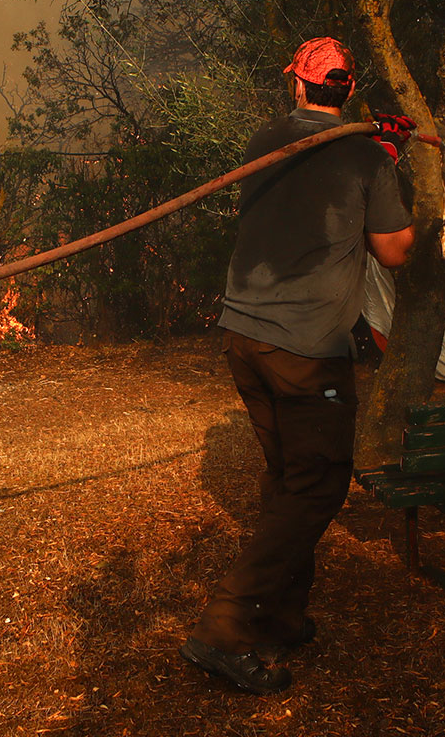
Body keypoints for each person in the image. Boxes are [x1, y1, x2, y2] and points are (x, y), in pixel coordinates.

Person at [181, 37, 416, 694]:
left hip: (246, 338)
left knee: (290, 476)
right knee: (317, 484)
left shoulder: (264, 143)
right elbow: (394, 252)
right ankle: (223, 631)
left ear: (299, 86)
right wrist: (388, 163)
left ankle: (282, 613)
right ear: (347, 90)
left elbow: (310, 195)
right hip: (307, 350)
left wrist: (380, 158)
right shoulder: (365, 156)